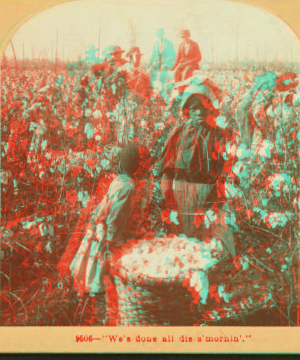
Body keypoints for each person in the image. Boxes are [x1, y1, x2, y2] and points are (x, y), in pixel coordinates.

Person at [59, 144, 151, 325]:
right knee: (103, 275)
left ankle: (93, 312)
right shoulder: (128, 188)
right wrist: (112, 243)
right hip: (106, 236)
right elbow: (115, 218)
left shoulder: (118, 180)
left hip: (98, 231)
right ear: (137, 165)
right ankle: (102, 316)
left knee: (95, 273)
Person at [155, 83, 236, 256]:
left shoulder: (218, 134)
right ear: (187, 111)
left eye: (202, 107)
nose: (199, 112)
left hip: (207, 192)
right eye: (194, 108)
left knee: (206, 241)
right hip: (181, 192)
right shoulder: (178, 133)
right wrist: (167, 194)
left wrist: (218, 196)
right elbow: (167, 168)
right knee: (183, 239)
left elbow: (225, 168)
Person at [147, 28, 176, 96]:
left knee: (163, 70)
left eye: (160, 35)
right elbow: (153, 56)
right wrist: (150, 65)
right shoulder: (156, 44)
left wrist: (164, 61)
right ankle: (152, 89)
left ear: (163, 34)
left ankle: (163, 90)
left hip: (167, 63)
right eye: (157, 35)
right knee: (150, 70)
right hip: (158, 63)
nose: (159, 37)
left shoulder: (169, 43)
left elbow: (173, 56)